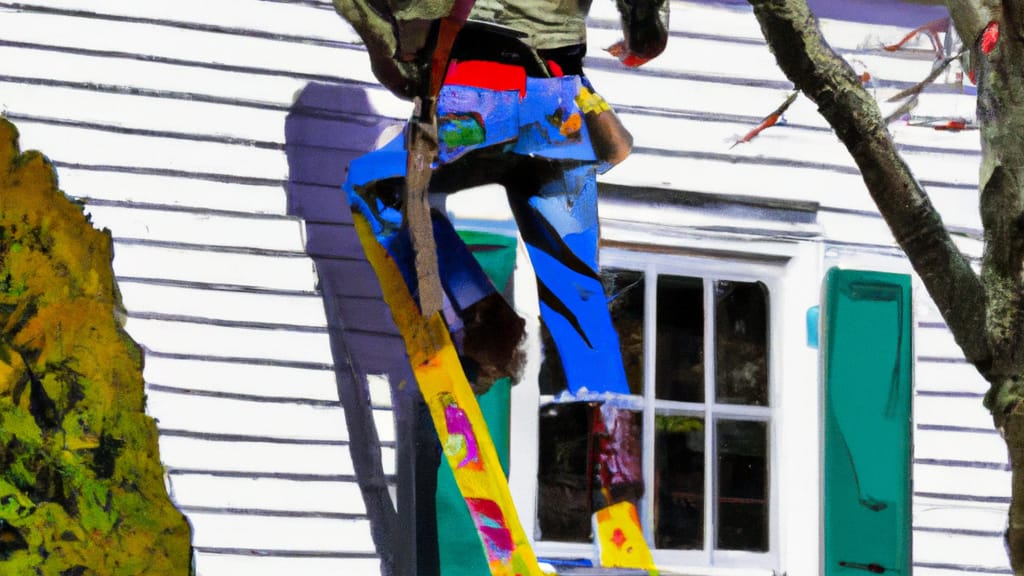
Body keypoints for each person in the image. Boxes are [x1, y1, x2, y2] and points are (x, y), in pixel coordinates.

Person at [333, 1, 669, 573]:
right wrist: (641, 39)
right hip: (564, 106)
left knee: (371, 184)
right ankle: (621, 535)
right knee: (583, 301)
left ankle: (485, 314)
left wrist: (393, 55)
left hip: (479, 98)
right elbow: (646, 23)